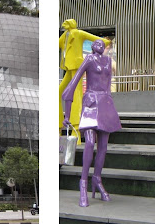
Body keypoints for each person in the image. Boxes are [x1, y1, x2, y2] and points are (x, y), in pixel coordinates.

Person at [63, 39, 122, 207]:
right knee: (90, 142)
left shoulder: (109, 61)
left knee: (103, 145)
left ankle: (97, 179)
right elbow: (71, 86)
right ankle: (83, 183)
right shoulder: (89, 59)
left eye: (102, 43)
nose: (99, 44)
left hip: (105, 102)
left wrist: (109, 102)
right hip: (90, 103)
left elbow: (108, 83)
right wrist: (67, 115)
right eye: (95, 42)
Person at [59, 19, 111, 145]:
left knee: (76, 96)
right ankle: (59, 123)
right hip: (68, 66)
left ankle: (75, 129)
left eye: (67, 22)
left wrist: (96, 55)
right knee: (59, 92)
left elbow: (103, 41)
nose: (65, 24)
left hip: (77, 67)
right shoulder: (65, 35)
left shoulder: (78, 33)